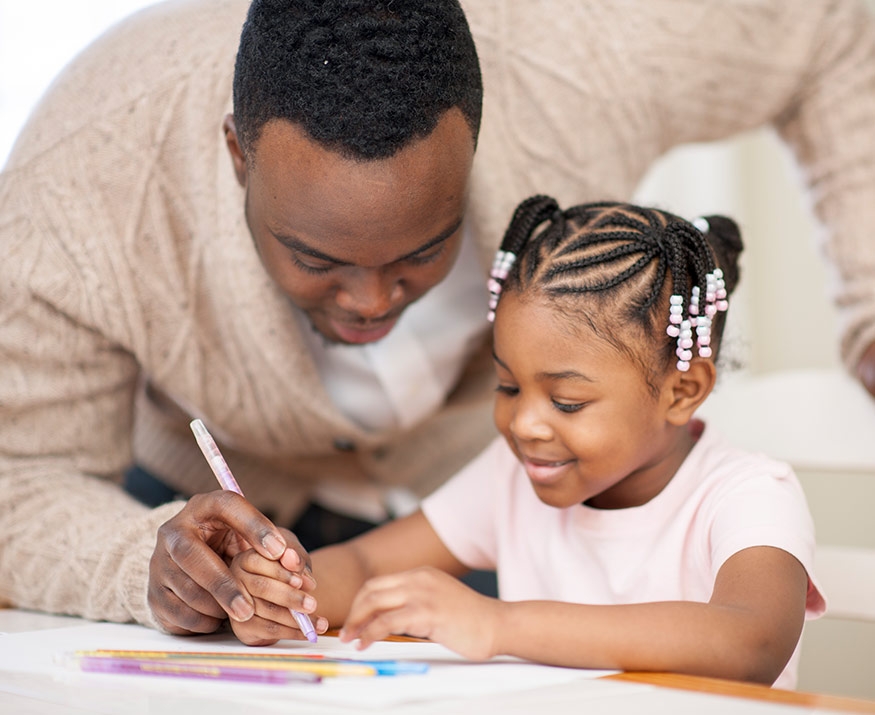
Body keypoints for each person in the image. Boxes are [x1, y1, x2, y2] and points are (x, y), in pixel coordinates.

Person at [0, 0, 867, 637]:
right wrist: (213, 578)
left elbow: (833, 21)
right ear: (237, 154)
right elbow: (19, 487)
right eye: (316, 257)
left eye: (424, 248)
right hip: (208, 510)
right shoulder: (84, 179)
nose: (373, 301)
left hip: (480, 578)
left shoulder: (587, 58)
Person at [228, 197, 826, 689]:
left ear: (682, 390)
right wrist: (285, 592)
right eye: (508, 385)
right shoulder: (515, 475)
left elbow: (750, 642)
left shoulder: (748, 495)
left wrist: (499, 625)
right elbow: (363, 564)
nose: (525, 425)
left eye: (567, 402)